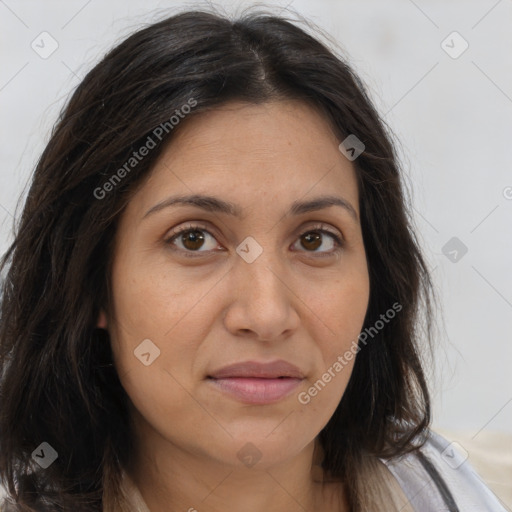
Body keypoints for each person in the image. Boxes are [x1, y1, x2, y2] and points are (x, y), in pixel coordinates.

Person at [0, 7, 506, 512]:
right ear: (90, 281)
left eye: (314, 241)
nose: (266, 315)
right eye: (194, 239)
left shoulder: (458, 492)